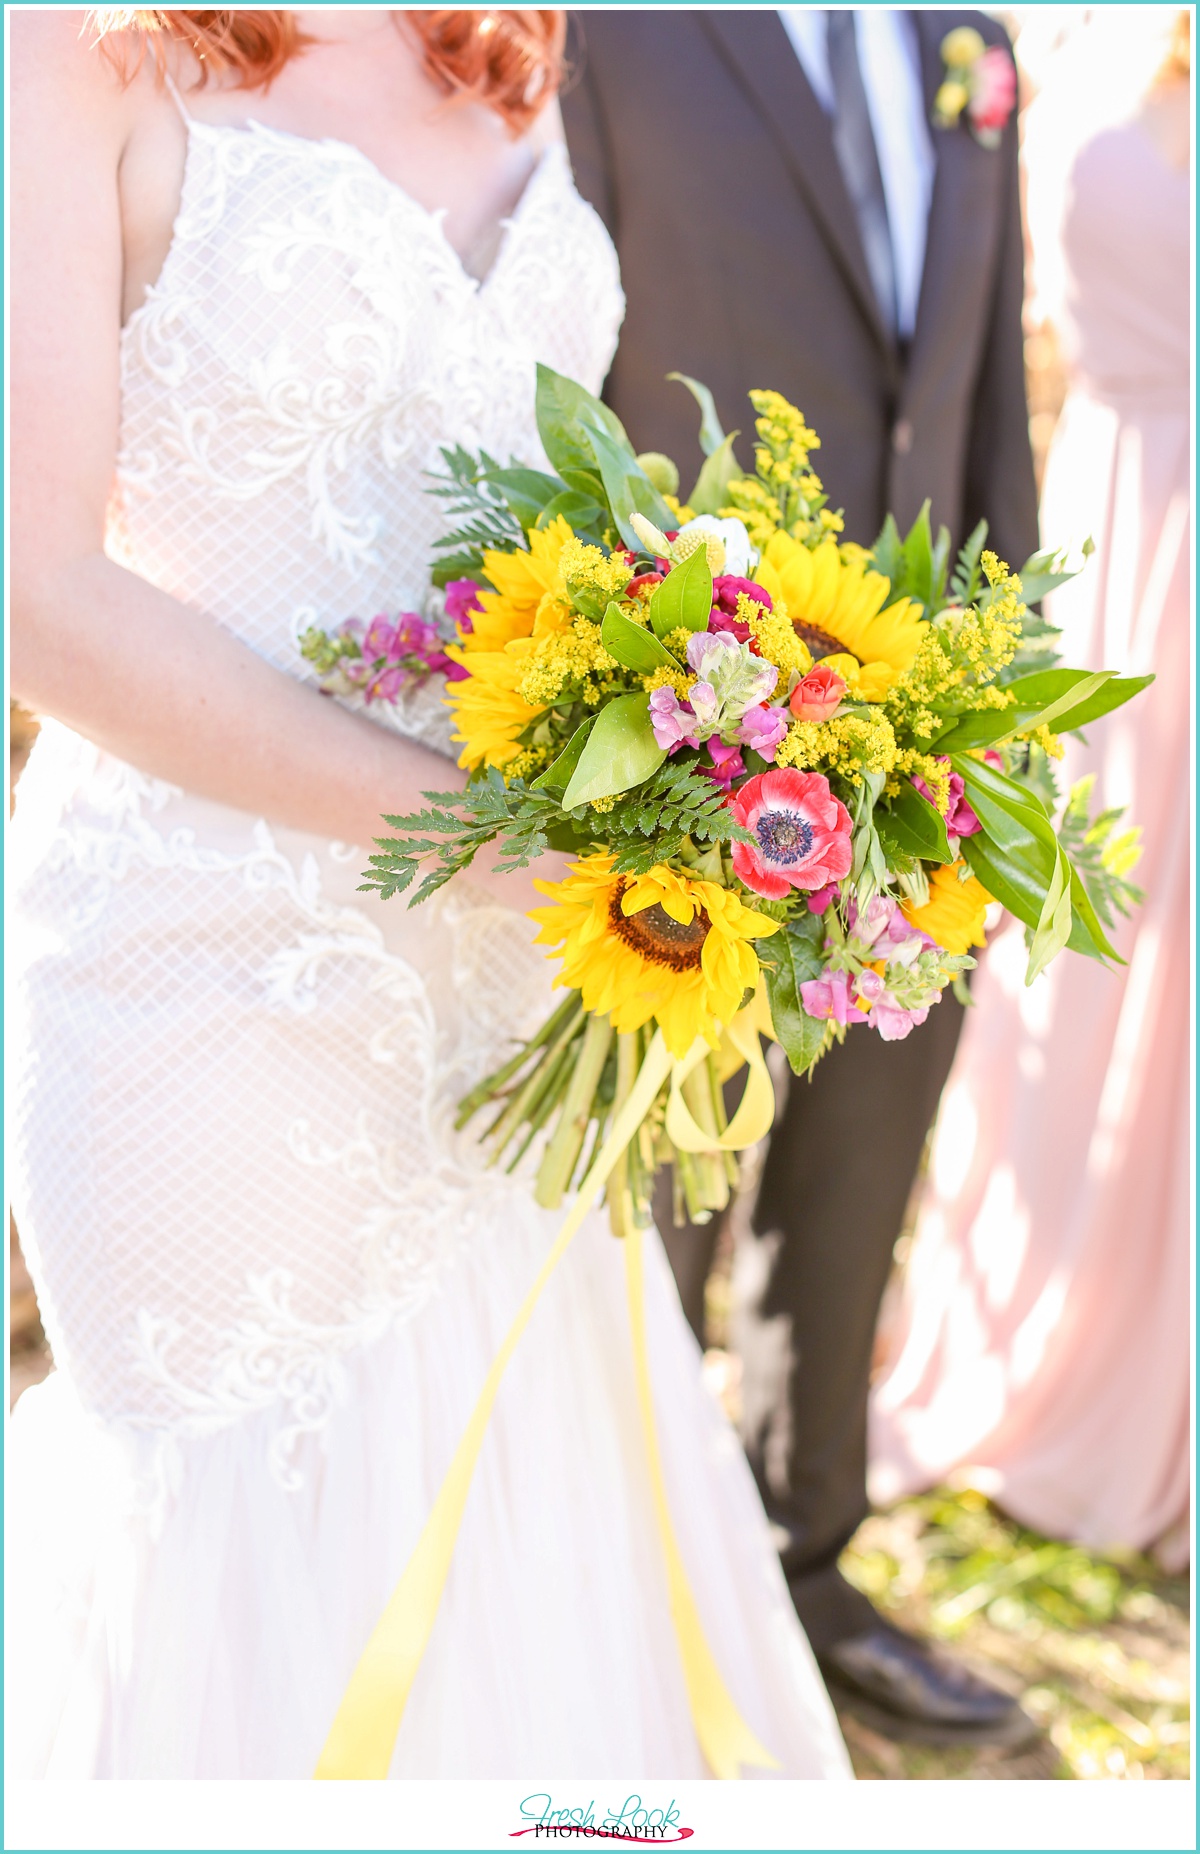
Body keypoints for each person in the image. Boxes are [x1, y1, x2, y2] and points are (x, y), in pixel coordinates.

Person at [8, 7, 852, 1779]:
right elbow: (39, 593)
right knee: (255, 1542)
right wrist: (477, 829)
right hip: (202, 981)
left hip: (518, 992)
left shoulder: (507, 42)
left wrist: (714, 735)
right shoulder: (76, 51)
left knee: (530, 1495)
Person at [563, 7, 1038, 1742]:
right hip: (685, 726)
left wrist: (999, 706)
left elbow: (980, 401)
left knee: (858, 1171)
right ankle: (605, 1596)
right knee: (647, 1198)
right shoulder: (611, 31)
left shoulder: (972, 42)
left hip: (921, 741)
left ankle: (803, 1563)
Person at [870, 10, 1191, 1571]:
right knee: (1105, 925)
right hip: (1130, 559)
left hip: (1131, 523)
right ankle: (1087, 1329)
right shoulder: (1057, 58)